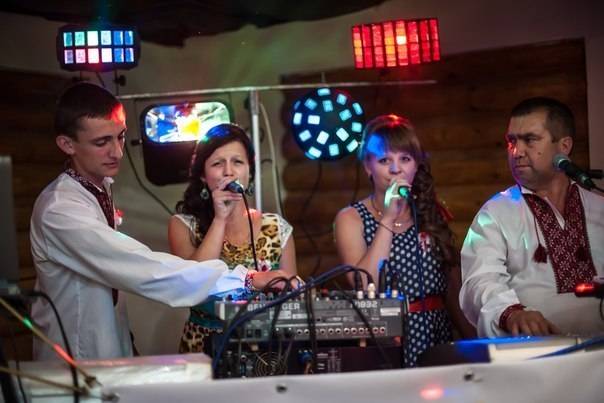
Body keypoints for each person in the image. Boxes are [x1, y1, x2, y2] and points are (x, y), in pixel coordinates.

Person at [30, 83, 276, 360]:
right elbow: (143, 268)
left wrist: (127, 344)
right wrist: (246, 278)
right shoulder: (60, 210)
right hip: (75, 357)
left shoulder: (99, 187)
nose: (117, 152)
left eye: (121, 137)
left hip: (110, 350)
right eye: (102, 143)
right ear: (67, 144)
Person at [334, 114, 475, 367]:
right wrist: (388, 218)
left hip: (435, 336)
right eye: (384, 160)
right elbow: (364, 284)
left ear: (416, 165)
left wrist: (474, 343)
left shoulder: (429, 213)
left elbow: (452, 288)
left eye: (405, 159)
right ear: (368, 166)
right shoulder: (351, 218)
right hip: (386, 341)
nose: (395, 169)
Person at [460, 97, 604, 337]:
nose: (516, 152)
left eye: (530, 139)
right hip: (534, 352)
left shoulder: (599, 208)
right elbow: (479, 281)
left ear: (564, 146)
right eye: (511, 141)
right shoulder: (494, 213)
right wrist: (512, 313)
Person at [168, 123, 297, 354]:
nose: (229, 171)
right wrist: (220, 218)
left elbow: (291, 297)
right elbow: (194, 284)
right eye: (218, 163)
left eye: (237, 162)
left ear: (250, 171)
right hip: (204, 346)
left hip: (267, 348)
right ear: (203, 175)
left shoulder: (277, 228)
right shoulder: (184, 225)